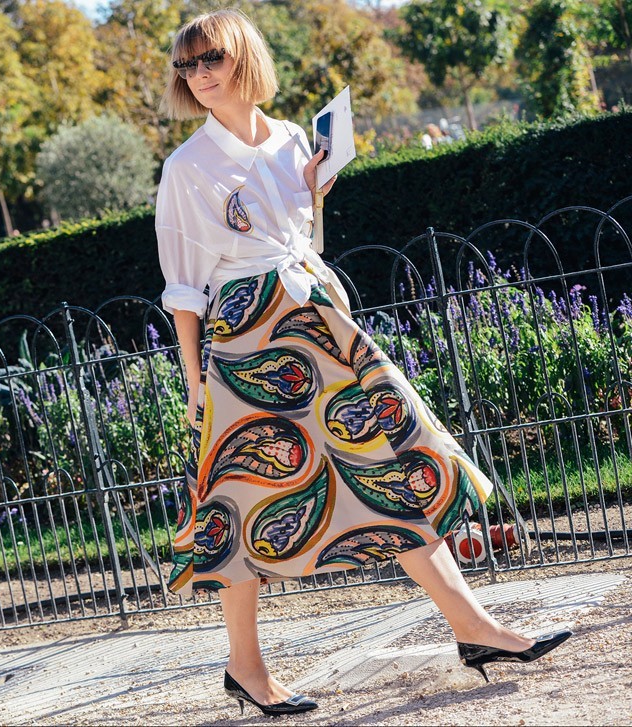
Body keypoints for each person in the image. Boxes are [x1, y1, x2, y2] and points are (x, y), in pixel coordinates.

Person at [155, 9, 571, 718]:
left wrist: (314, 189)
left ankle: (473, 626)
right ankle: (246, 667)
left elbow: (298, 236)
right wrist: (194, 379)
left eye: (211, 58)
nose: (198, 74)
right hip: (248, 340)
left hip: (316, 318)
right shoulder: (186, 167)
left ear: (244, 57)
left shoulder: (292, 139)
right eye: (187, 65)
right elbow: (185, 287)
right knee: (238, 495)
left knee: (385, 459)